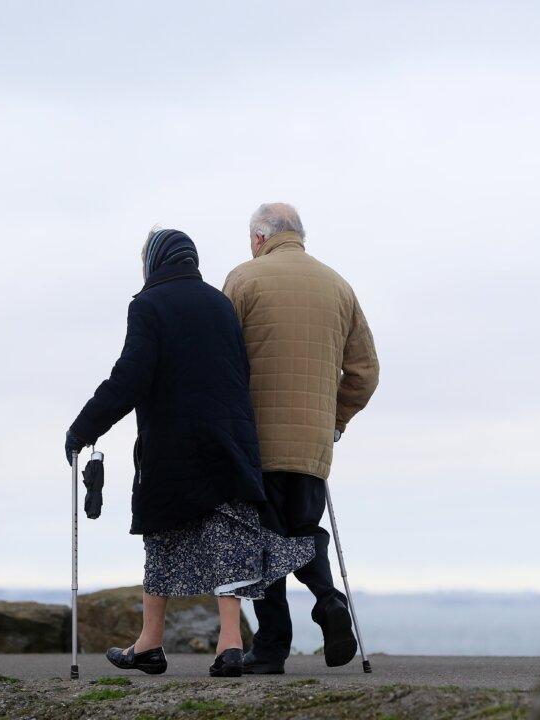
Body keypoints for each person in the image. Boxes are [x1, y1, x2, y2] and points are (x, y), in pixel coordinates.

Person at [65, 227, 314, 678]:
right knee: (228, 538)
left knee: (162, 535)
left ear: (154, 262)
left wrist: (84, 428)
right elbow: (241, 371)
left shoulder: (148, 305)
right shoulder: (220, 303)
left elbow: (130, 377)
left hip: (174, 446)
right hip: (230, 442)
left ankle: (150, 643)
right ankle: (230, 644)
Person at [223, 203, 379, 673]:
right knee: (303, 528)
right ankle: (329, 600)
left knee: (260, 538)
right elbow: (365, 372)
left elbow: (219, 360)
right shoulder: (339, 286)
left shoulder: (242, 280)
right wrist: (335, 420)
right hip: (312, 443)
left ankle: (271, 647)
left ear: (259, 238)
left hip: (254, 440)